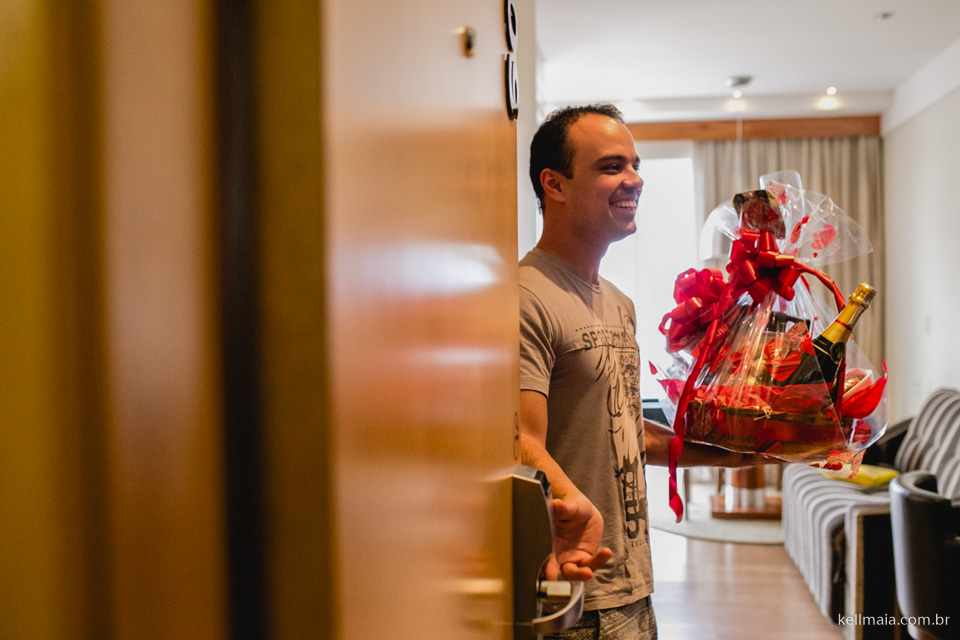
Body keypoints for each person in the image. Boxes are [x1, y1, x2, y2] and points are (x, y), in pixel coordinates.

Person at [519, 104, 765, 639]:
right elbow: (518, 440)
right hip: (577, 589)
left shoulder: (619, 303)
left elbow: (626, 435)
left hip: (635, 582)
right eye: (612, 167)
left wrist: (740, 453)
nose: (635, 179)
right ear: (553, 184)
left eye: (635, 164)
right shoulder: (524, 297)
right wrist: (577, 507)